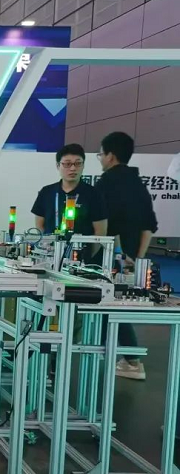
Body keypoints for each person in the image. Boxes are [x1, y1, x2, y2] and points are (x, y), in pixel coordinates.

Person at [95, 131, 158, 381]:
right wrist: (137, 259)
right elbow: (149, 226)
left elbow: (107, 225)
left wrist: (119, 254)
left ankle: (131, 360)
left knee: (106, 307)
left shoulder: (106, 183)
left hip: (108, 257)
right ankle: (124, 358)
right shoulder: (139, 185)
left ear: (111, 156)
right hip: (131, 259)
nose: (101, 159)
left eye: (101, 154)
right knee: (115, 307)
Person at [31, 143, 108, 243]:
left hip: (82, 250)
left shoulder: (94, 194)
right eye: (67, 164)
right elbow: (40, 225)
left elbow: (100, 232)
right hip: (50, 250)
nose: (73, 168)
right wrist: (45, 246)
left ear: (83, 165)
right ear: (58, 166)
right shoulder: (46, 192)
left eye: (78, 163)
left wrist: (88, 252)